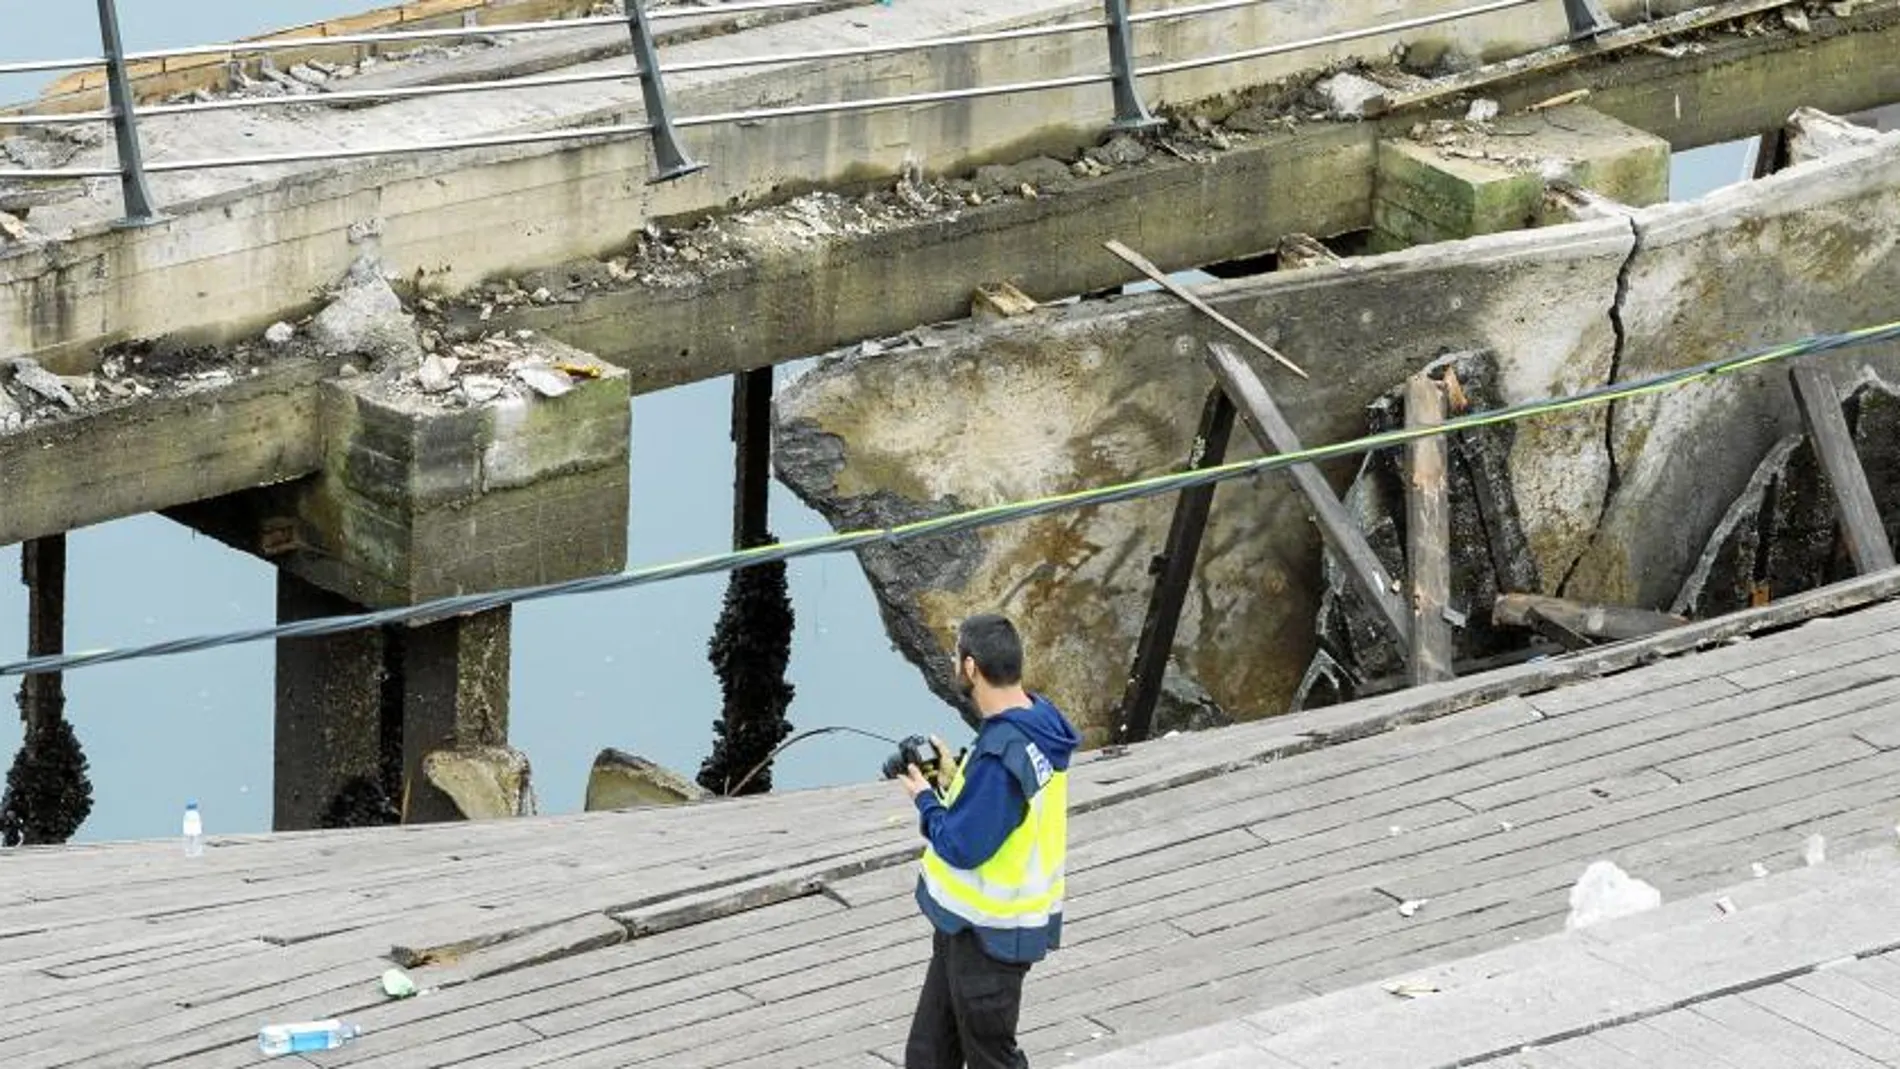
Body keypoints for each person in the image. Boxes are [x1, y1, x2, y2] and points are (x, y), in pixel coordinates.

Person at [897, 613, 1081, 1069]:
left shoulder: (1004, 752)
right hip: (967, 927)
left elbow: (963, 845)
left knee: (990, 1058)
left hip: (992, 936)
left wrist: (925, 801)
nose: (955, 663)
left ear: (972, 667)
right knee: (928, 1054)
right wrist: (955, 782)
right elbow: (999, 813)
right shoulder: (1032, 720)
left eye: (956, 656)